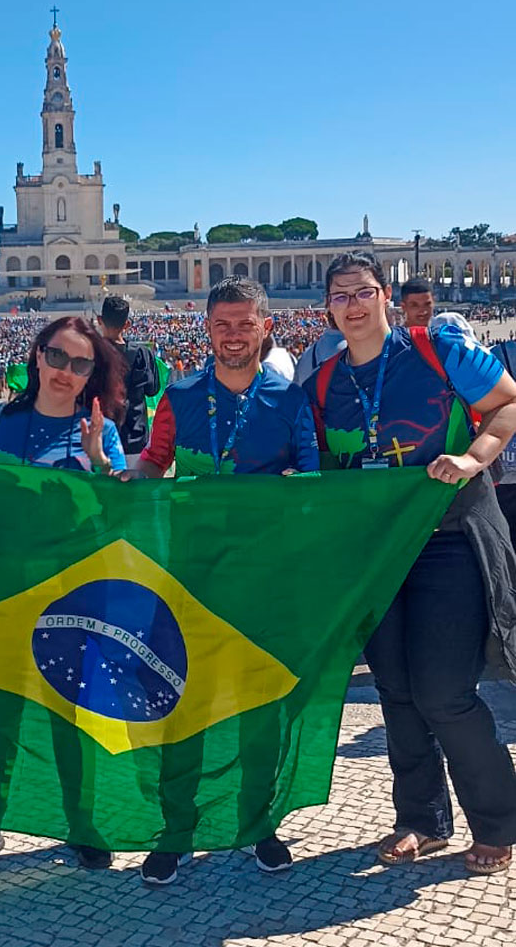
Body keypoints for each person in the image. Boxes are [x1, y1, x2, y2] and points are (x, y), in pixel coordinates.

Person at [304, 251, 516, 875]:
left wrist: (475, 456)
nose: (353, 304)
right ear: (328, 308)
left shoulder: (437, 350)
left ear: (385, 297)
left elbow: (508, 404)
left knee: (446, 692)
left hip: (449, 536)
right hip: (376, 550)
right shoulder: (323, 383)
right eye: (340, 295)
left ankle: (498, 819)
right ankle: (421, 820)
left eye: (364, 291)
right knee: (395, 689)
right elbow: (322, 467)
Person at [136, 277, 319, 884]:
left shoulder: (291, 400)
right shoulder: (179, 395)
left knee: (261, 706)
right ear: (206, 328)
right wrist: (110, 469)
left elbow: (314, 482)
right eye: (223, 324)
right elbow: (151, 466)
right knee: (181, 707)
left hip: (264, 577)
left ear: (267, 325)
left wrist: (299, 492)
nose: (234, 334)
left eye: (246, 323)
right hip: (187, 574)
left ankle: (256, 823)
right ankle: (177, 827)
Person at [0, 316, 127, 874]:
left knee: (70, 715)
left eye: (81, 364)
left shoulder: (102, 429)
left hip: (72, 596)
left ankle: (81, 821)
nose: (65, 372)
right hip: (0, 590)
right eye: (57, 357)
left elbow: (121, 510)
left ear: (92, 373)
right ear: (36, 355)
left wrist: (99, 461)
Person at [97, 295, 161, 463]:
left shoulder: (91, 354)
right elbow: (152, 389)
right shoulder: (141, 354)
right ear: (127, 324)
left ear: (99, 320)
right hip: (135, 436)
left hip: (100, 440)